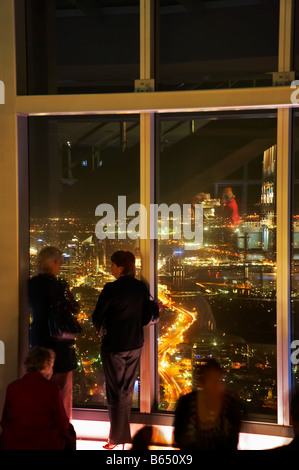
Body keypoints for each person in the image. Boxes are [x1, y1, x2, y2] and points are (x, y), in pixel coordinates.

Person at [92, 250, 150, 450]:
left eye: (112, 264)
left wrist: (102, 332)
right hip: (135, 344)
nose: (110, 268)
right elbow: (146, 315)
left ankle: (116, 439)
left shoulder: (111, 288)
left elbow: (96, 316)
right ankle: (120, 437)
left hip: (114, 345)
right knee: (125, 391)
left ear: (121, 267)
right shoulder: (140, 287)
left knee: (115, 392)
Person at [28, 246, 80, 419]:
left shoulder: (31, 284)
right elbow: (75, 308)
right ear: (53, 263)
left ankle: (41, 427)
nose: (60, 266)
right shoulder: (58, 286)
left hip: (38, 342)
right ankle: (62, 430)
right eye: (59, 262)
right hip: (59, 343)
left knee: (39, 388)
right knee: (61, 390)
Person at [0, 347, 76, 450]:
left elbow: (4, 420)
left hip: (11, 444)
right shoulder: (52, 389)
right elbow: (62, 423)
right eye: (51, 366)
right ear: (46, 366)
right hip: (43, 444)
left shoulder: (12, 387)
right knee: (70, 431)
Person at [173, 358, 241, 451]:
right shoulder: (186, 403)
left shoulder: (231, 407)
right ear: (202, 382)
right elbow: (179, 438)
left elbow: (232, 443)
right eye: (212, 380)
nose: (217, 385)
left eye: (219, 379)